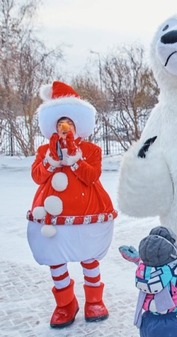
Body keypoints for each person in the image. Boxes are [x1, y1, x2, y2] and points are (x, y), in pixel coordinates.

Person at [26, 81, 117, 328]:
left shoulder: (91, 149)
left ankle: (94, 301)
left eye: (69, 124)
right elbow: (36, 176)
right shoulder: (45, 149)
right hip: (52, 216)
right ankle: (65, 304)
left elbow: (91, 177)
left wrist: (75, 159)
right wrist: (51, 162)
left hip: (87, 212)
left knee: (89, 257)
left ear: (78, 126)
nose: (64, 129)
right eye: (60, 124)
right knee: (56, 258)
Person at [119, 226, 177, 337]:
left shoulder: (142, 272)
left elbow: (154, 267)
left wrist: (138, 259)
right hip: (172, 326)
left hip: (147, 323)